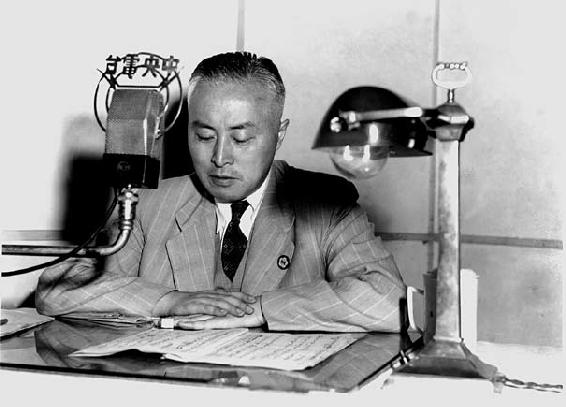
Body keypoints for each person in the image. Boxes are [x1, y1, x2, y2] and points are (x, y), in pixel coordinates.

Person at [36, 51, 406, 332]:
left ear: (279, 135)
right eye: (203, 136)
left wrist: (260, 310)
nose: (219, 158)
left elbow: (391, 301)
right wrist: (167, 301)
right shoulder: (149, 203)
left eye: (241, 139)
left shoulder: (325, 204)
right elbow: (57, 288)